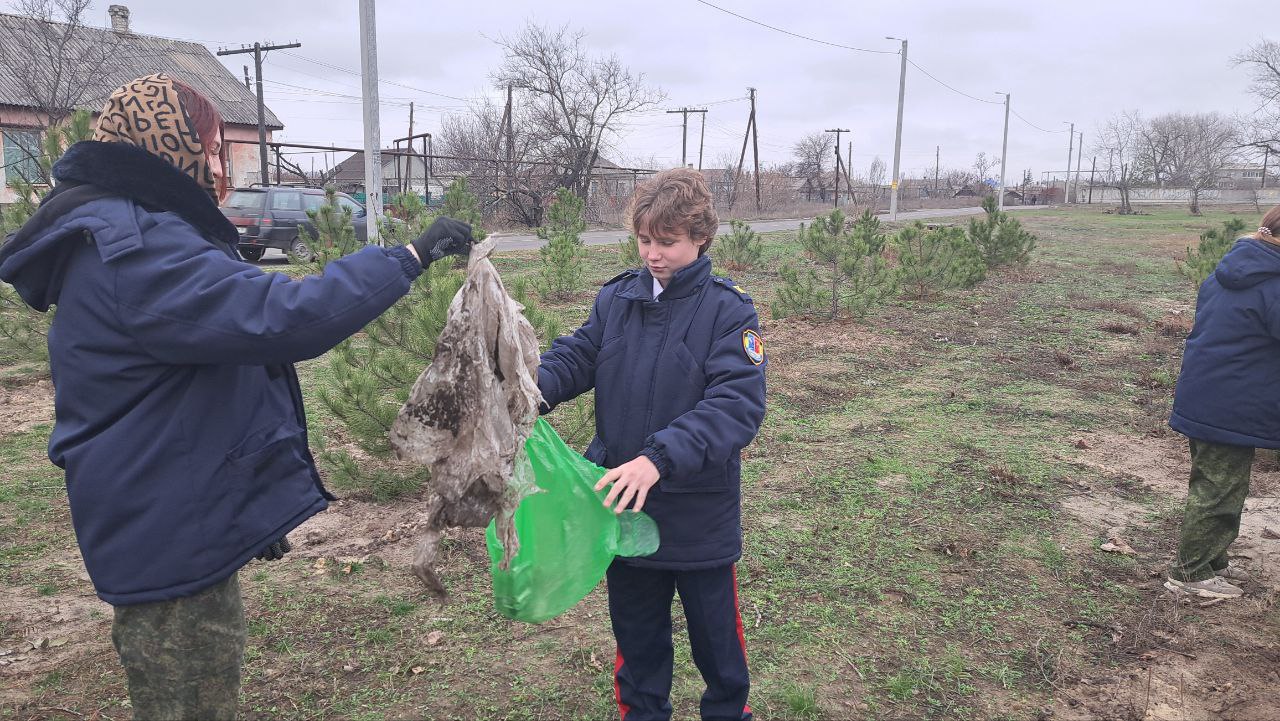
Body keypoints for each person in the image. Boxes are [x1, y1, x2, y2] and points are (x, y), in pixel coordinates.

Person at [0, 74, 474, 719]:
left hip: (165, 505)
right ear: (169, 146)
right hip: (164, 527)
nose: (222, 168)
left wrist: (241, 512)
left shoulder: (134, 226)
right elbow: (279, 316)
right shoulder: (135, 248)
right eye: (213, 148)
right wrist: (408, 257)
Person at [537, 168, 767, 721]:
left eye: (667, 242)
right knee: (638, 644)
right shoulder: (618, 297)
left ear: (700, 237)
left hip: (698, 515)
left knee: (718, 647)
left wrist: (658, 459)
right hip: (624, 507)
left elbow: (735, 405)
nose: (653, 255)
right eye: (644, 240)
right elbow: (578, 356)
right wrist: (527, 390)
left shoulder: (728, 311)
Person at [1165, 205, 1280, 599]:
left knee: (1219, 485)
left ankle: (1212, 561)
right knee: (1219, 490)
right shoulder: (1273, 285)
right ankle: (1190, 574)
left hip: (1210, 394)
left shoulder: (1231, 272)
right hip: (1231, 403)